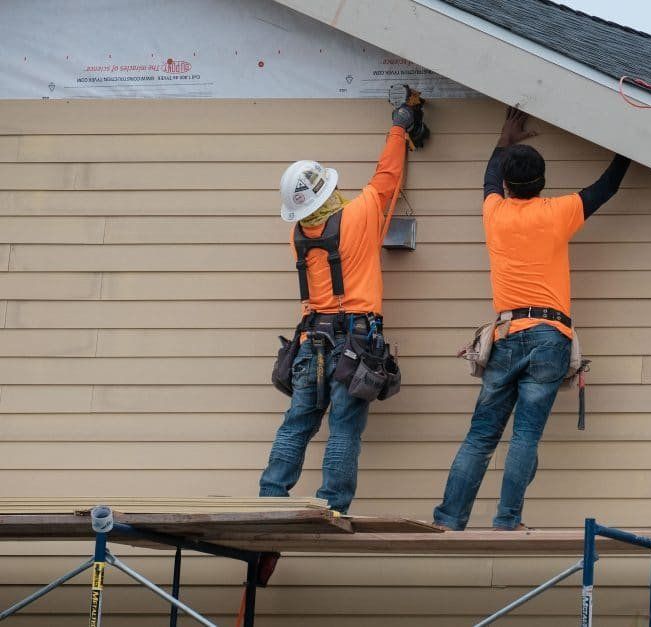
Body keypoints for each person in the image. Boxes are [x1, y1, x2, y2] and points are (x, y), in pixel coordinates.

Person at [433, 107, 630, 531]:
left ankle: (449, 518)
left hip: (505, 335)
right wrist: (627, 148)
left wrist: (504, 138)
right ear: (542, 184)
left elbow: (488, 177)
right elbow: (607, 186)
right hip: (549, 338)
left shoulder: (494, 213)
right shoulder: (559, 212)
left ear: (507, 185)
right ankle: (507, 519)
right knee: (524, 436)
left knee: (481, 435)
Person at [258, 102, 420, 511]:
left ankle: (271, 498)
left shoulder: (298, 235)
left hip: (312, 340)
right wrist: (400, 126)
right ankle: (332, 505)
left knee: (298, 423)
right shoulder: (359, 215)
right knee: (345, 428)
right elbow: (386, 178)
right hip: (355, 340)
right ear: (328, 191)